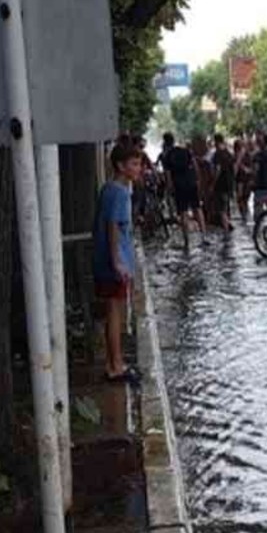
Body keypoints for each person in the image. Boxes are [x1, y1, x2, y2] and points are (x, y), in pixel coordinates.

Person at [94, 144, 144, 383]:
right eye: (134, 164)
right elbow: (113, 226)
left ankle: (113, 362)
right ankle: (116, 365)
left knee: (111, 312)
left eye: (139, 163)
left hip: (107, 260)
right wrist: (118, 262)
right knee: (115, 313)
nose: (139, 168)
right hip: (115, 263)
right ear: (121, 166)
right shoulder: (120, 193)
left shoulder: (108, 189)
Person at [161, 133, 205, 239]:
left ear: (165, 142)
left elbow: (167, 174)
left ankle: (186, 240)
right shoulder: (185, 150)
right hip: (191, 183)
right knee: (197, 208)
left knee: (183, 212)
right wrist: (198, 179)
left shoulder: (166, 156)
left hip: (179, 185)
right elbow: (194, 165)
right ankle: (204, 235)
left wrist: (169, 188)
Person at [211, 133, 236, 232]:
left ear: (216, 142)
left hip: (220, 185)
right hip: (229, 184)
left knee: (221, 210)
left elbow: (217, 170)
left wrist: (212, 184)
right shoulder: (228, 153)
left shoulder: (217, 154)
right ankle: (228, 223)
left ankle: (226, 230)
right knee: (226, 207)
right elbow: (233, 168)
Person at [234, 137, 253, 223]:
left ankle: (244, 214)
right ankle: (244, 215)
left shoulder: (247, 155)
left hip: (244, 180)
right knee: (240, 198)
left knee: (243, 198)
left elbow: (251, 168)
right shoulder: (236, 155)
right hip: (240, 180)